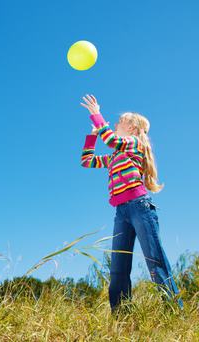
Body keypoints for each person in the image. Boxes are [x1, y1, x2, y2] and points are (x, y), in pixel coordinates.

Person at [80, 94, 182, 312]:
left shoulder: (133, 144)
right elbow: (86, 161)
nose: (115, 124)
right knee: (118, 269)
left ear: (133, 130)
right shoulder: (114, 155)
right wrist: (92, 135)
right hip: (121, 213)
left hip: (140, 207)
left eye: (121, 122)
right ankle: (122, 317)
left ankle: (175, 311)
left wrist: (97, 115)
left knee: (155, 261)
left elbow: (111, 139)